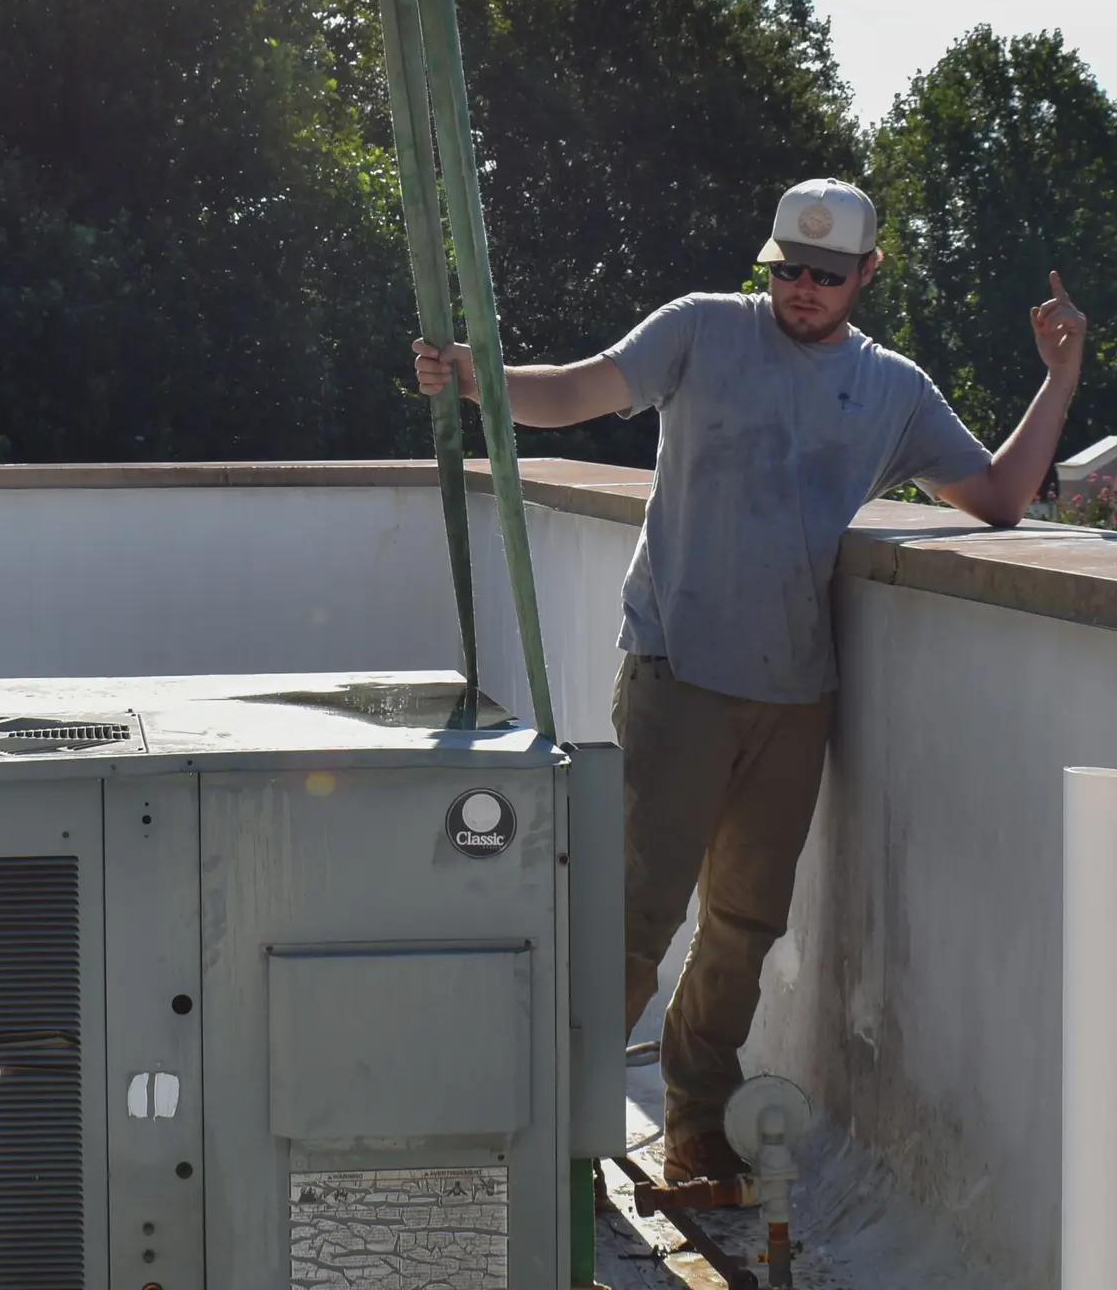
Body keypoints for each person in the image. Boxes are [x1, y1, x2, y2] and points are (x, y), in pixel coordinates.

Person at [414, 177, 1086, 1182]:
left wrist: (1061, 376)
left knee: (745, 924)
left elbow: (995, 498)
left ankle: (698, 1118)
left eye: (825, 273)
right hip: (677, 673)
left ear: (868, 272)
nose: (802, 289)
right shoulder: (701, 330)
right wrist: (470, 375)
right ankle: (556, 1124)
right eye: (787, 269)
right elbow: (575, 393)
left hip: (795, 692)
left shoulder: (892, 388)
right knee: (636, 915)